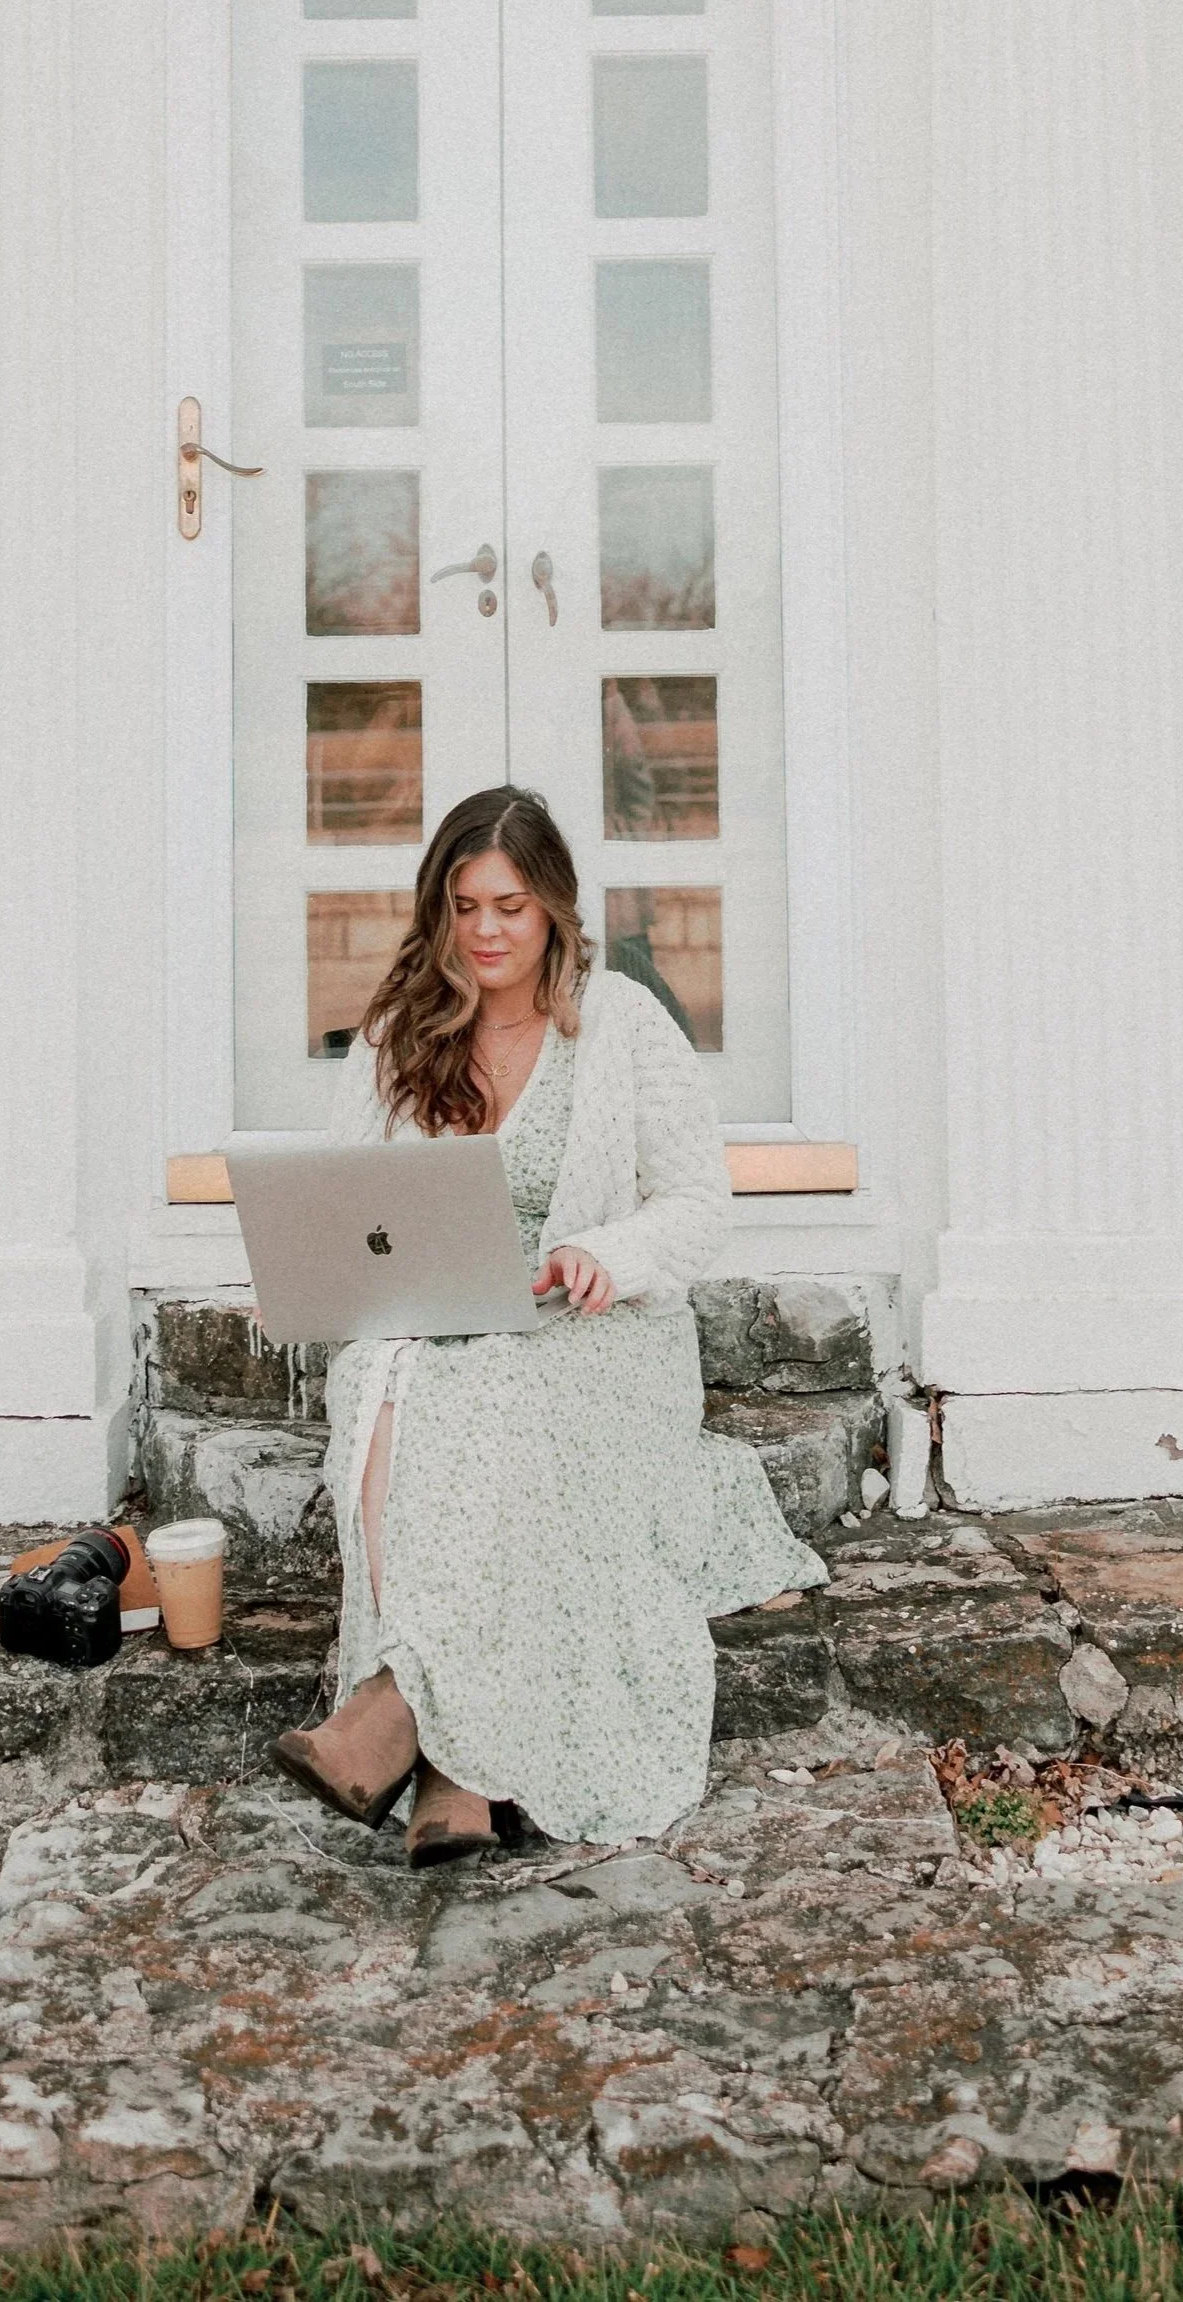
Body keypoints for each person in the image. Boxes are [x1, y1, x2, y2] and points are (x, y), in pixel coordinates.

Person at [271, 783, 826, 1867]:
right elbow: (351, 1203)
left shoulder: (622, 1023)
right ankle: (452, 1766)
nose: (485, 932)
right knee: (394, 1395)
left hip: (592, 1327)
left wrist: (605, 1254)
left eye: (511, 907)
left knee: (500, 1408)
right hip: (438, 1320)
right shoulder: (395, 1034)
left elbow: (698, 1202)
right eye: (465, 905)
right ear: (438, 910)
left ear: (556, 912)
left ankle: (405, 1733)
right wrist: (320, 1273)